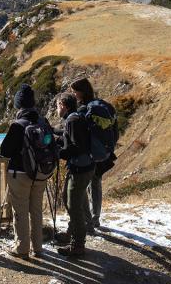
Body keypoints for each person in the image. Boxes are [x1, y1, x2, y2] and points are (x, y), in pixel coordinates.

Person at [0, 84, 53, 259]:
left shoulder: (18, 125)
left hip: (20, 174)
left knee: (20, 211)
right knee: (36, 210)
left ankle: (22, 248)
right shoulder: (43, 122)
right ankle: (38, 248)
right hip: (40, 172)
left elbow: (6, 151)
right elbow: (50, 143)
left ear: (18, 105)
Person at [70, 78, 118, 232]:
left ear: (81, 92)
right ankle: (95, 217)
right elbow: (115, 130)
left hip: (89, 154)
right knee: (96, 183)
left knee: (83, 185)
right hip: (103, 152)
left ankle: (87, 221)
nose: (74, 94)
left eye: (75, 91)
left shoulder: (84, 109)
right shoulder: (103, 106)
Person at [55, 92, 94, 257]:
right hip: (86, 167)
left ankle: (78, 244)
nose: (56, 109)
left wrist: (59, 153)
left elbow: (76, 147)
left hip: (79, 169)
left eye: (57, 106)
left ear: (63, 105)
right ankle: (72, 233)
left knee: (73, 206)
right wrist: (53, 132)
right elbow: (70, 139)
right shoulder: (75, 118)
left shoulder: (72, 120)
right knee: (68, 198)